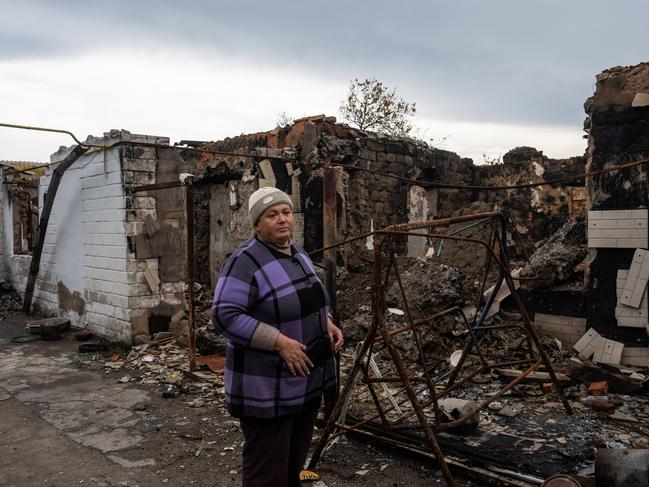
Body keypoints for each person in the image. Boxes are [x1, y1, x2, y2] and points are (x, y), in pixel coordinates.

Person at [212, 186, 344, 487]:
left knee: (293, 465)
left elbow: (307, 299)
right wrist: (280, 343)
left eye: (285, 212)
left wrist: (326, 321)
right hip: (267, 388)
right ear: (257, 224)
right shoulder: (243, 262)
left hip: (304, 381)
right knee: (266, 473)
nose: (282, 219)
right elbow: (224, 316)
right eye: (272, 215)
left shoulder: (297, 253)